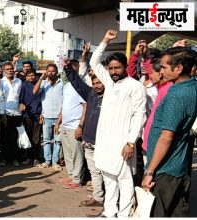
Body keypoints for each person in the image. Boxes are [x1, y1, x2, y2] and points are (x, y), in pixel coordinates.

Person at [89, 30, 147, 217]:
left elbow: (140, 115)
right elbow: (93, 62)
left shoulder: (135, 86)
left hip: (123, 143)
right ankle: (109, 211)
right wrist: (105, 40)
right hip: (105, 141)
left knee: (125, 180)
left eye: (118, 68)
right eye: (111, 68)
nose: (114, 72)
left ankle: (123, 214)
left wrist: (131, 142)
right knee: (108, 178)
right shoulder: (109, 81)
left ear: (124, 67)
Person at [142, 47, 197, 217]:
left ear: (179, 68)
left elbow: (166, 138)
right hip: (177, 166)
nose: (161, 70)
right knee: (177, 211)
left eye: (165, 67)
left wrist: (150, 171)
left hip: (166, 169)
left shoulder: (177, 95)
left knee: (160, 212)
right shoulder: (191, 86)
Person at [64, 64, 105, 206]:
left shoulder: (112, 97)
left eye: (99, 82)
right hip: (88, 140)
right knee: (94, 171)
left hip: (103, 142)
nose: (97, 86)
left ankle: (110, 200)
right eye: (94, 83)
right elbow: (77, 83)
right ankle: (98, 197)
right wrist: (68, 68)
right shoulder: (90, 93)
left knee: (105, 172)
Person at [55, 67, 86, 188]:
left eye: (69, 72)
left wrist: (80, 126)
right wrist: (58, 122)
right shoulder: (66, 86)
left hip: (75, 126)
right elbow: (65, 106)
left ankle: (77, 179)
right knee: (67, 153)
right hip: (65, 125)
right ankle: (71, 175)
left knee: (76, 153)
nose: (66, 74)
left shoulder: (80, 87)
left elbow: (85, 107)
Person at [33, 64, 63, 169]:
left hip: (59, 117)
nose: (51, 73)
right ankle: (47, 161)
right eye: (49, 71)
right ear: (46, 72)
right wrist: (41, 77)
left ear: (57, 72)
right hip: (46, 117)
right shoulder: (43, 83)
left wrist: (61, 116)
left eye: (53, 71)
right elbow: (34, 91)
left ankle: (55, 162)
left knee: (57, 141)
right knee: (46, 140)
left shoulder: (62, 83)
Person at [0, 62, 22, 166]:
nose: (10, 71)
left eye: (11, 69)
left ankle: (15, 158)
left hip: (17, 113)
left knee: (16, 137)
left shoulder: (19, 81)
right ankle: (4, 158)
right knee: (5, 137)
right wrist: (2, 114)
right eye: (7, 69)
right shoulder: (1, 82)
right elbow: (1, 98)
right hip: (6, 113)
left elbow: (20, 97)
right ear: (4, 71)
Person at [19, 68, 42, 166]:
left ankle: (36, 158)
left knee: (36, 138)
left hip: (37, 115)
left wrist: (42, 113)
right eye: (28, 75)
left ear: (36, 76)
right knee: (27, 137)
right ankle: (28, 157)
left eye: (32, 75)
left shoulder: (41, 85)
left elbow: (43, 100)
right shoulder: (24, 85)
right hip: (27, 115)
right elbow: (20, 98)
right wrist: (21, 104)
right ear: (26, 77)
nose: (31, 77)